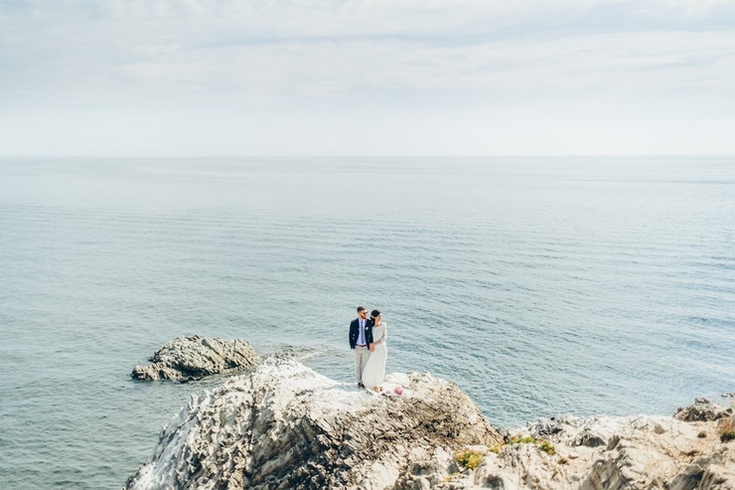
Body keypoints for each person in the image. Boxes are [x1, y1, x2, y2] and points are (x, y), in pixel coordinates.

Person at [362, 309, 387, 392]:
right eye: (378, 316)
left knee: (380, 365)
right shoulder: (370, 326)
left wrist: (374, 344)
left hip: (382, 348)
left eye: (381, 316)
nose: (380, 317)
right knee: (372, 364)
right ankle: (372, 384)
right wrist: (370, 345)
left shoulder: (383, 325)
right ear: (374, 317)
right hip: (373, 349)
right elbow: (366, 337)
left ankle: (379, 382)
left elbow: (384, 338)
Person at [349, 306, 373, 389]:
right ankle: (358, 381)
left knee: (364, 365)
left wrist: (371, 345)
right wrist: (352, 345)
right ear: (359, 313)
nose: (366, 314)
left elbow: (372, 334)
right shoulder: (353, 322)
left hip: (366, 347)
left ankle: (364, 381)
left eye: (366, 312)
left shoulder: (369, 322)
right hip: (357, 347)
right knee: (357, 365)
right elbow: (350, 334)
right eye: (364, 313)